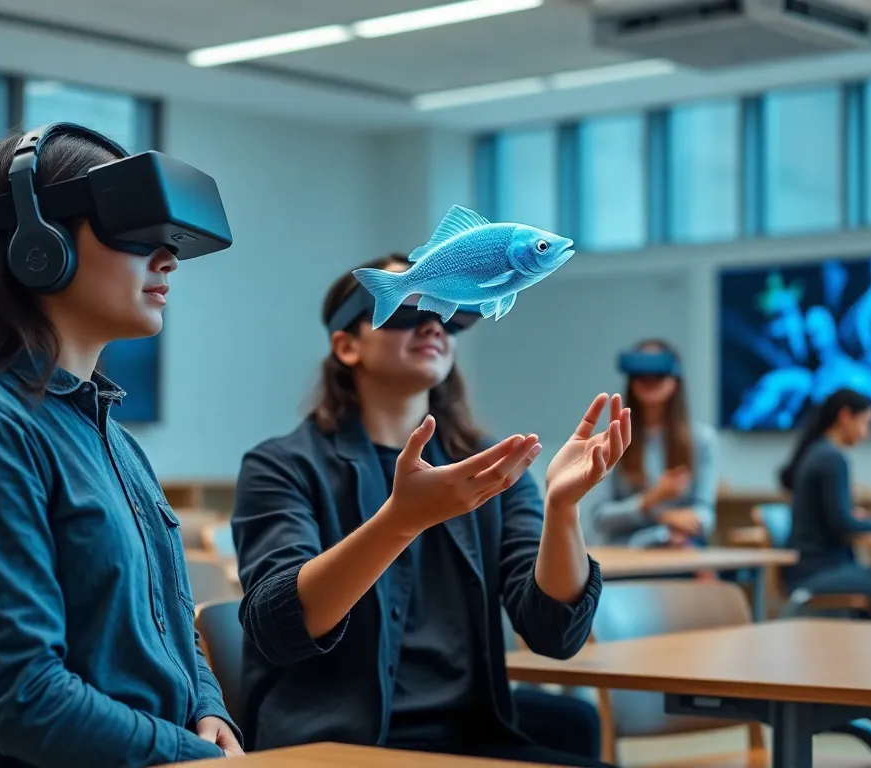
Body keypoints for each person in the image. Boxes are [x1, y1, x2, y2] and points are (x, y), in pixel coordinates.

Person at [0, 124, 242, 767]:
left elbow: (164, 623)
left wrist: (207, 707)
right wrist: (190, 754)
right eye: (135, 231)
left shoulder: (108, 432)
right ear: (39, 244)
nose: (168, 259)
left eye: (171, 239)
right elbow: (26, 700)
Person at [230, 254, 630, 767]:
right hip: (337, 749)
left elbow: (554, 634)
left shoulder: (492, 467)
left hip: (470, 740)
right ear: (347, 346)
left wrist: (563, 507)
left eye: (446, 310)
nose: (432, 324)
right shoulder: (281, 465)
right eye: (406, 309)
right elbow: (279, 626)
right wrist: (400, 522)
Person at [777, 389, 871, 620]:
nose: (867, 434)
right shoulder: (832, 458)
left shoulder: (817, 452)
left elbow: (835, 518)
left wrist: (859, 518)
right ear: (845, 417)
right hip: (818, 571)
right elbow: (843, 526)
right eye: (865, 423)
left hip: (808, 568)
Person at [584, 340, 718, 550]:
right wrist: (654, 504)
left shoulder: (701, 440)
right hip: (626, 553)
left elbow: (706, 512)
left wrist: (687, 525)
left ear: (675, 379)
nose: (650, 380)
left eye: (658, 374)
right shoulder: (610, 439)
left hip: (680, 550)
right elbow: (599, 517)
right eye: (642, 374)